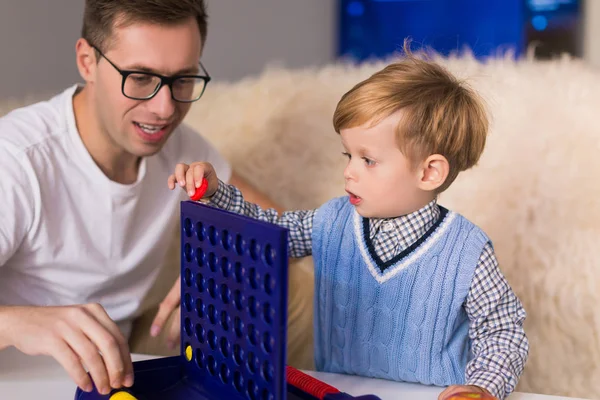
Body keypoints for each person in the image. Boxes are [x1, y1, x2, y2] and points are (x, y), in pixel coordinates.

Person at [169, 46, 529, 400]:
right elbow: (266, 234)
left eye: (368, 160)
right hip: (336, 393)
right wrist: (217, 194)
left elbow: (503, 330)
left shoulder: (467, 251)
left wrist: (482, 387)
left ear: (429, 171)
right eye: (348, 155)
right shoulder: (331, 221)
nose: (348, 172)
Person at [0, 0, 281, 396]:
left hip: (129, 359)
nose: (164, 109)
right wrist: (14, 323)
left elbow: (274, 221)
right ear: (86, 61)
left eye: (182, 79)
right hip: (21, 376)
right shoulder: (16, 159)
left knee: (296, 287)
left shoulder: (181, 147)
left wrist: (222, 271)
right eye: (140, 77)